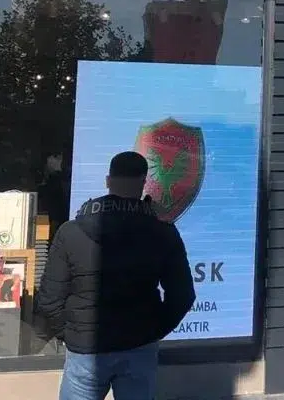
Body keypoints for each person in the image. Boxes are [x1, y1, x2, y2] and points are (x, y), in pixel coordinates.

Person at [37, 151, 195, 400]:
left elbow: (49, 298)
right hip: (138, 344)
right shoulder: (162, 232)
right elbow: (183, 296)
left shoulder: (71, 231)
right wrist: (153, 330)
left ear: (108, 181)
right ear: (143, 182)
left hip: (87, 348)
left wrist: (71, 335)